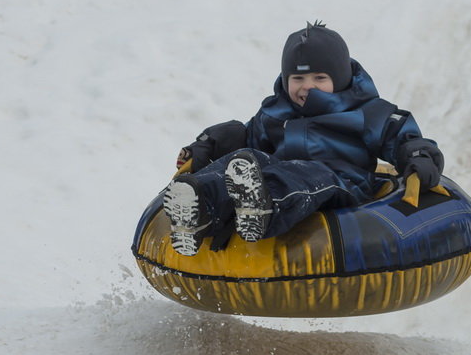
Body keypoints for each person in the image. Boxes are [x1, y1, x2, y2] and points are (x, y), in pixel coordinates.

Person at [162, 21, 444, 256]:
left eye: (320, 78)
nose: (307, 87)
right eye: (298, 78)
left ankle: (262, 209)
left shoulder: (368, 113)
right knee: (251, 159)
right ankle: (199, 208)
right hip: (280, 173)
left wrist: (418, 156)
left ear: (341, 77)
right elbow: (248, 136)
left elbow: (402, 136)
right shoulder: (275, 111)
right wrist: (209, 143)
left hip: (340, 183)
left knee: (308, 174)